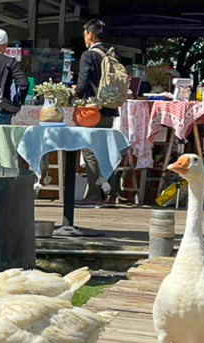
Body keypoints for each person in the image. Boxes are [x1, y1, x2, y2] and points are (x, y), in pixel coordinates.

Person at [73, 18, 122, 207]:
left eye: (85, 33)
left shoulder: (89, 55)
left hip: (92, 110)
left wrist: (74, 94)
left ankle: (94, 193)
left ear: (90, 34)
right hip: (109, 109)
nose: (84, 37)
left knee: (89, 151)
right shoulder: (110, 54)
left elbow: (83, 82)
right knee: (105, 151)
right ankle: (111, 193)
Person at [0, 29, 28, 125]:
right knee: (1, 140)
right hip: (2, 110)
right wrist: (16, 102)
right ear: (5, 45)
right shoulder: (11, 62)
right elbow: (23, 84)